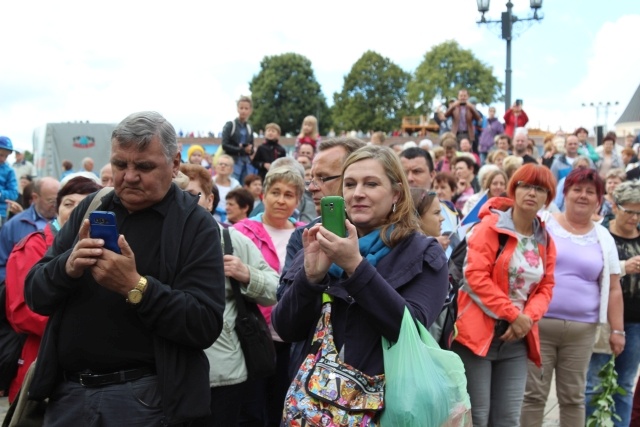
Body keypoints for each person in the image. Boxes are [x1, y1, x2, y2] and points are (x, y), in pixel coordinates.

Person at [24, 111, 226, 426]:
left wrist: (136, 287)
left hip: (145, 400)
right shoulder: (92, 208)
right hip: (69, 395)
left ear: (174, 165)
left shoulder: (195, 225)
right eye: (120, 164)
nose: (129, 176)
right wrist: (67, 266)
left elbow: (204, 323)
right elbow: (34, 294)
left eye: (143, 166)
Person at [274, 145, 449, 424]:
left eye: (371, 184)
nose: (358, 193)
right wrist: (310, 280)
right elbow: (286, 328)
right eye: (350, 184)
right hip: (313, 410)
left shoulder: (422, 252)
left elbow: (410, 331)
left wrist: (355, 266)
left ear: (396, 193)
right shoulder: (320, 239)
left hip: (387, 409)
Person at [453, 163, 557, 427]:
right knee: (477, 417)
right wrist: (514, 315)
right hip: (477, 335)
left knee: (508, 419)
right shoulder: (490, 227)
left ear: (548, 197)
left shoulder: (545, 237)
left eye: (540, 188)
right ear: (515, 188)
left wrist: (527, 318)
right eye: (526, 186)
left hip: (516, 338)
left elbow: (546, 286)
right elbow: (475, 277)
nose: (532, 193)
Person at [178, 163, 279, 427]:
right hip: (170, 371)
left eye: (191, 195)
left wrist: (246, 273)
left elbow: (275, 289)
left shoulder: (233, 240)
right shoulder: (156, 242)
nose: (183, 203)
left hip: (224, 372)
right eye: (175, 195)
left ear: (210, 200)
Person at [521, 167, 624, 427]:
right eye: (577, 189)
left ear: (599, 200)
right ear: (564, 194)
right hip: (538, 325)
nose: (583, 196)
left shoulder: (604, 237)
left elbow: (613, 287)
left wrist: (618, 331)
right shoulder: (543, 223)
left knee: (573, 398)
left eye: (590, 192)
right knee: (533, 396)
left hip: (582, 331)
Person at [5, 176, 102, 402]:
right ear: (57, 209)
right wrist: (86, 325)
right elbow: (23, 312)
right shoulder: (33, 246)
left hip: (90, 378)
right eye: (69, 204)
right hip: (40, 363)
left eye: (85, 205)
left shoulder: (107, 247)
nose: (76, 211)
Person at [233, 165, 306, 427]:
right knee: (252, 409)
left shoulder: (306, 232)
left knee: (285, 406)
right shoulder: (242, 231)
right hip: (254, 334)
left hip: (295, 335)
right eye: (275, 192)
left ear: (298, 201)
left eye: (289, 194)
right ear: (263, 195)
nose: (281, 199)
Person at [584, 180, 640, 426]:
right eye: (629, 211)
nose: (634, 217)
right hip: (602, 319)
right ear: (615, 207)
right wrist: (624, 268)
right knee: (595, 383)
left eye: (639, 212)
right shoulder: (601, 235)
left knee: (625, 384)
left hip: (636, 322)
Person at [0, 177, 60, 282]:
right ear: (35, 198)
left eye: (59, 200)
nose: (56, 205)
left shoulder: (65, 222)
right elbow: (1, 263)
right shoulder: (13, 226)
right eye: (51, 201)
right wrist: (10, 288)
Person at [222, 95, 255, 183]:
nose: (243, 111)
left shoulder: (249, 127)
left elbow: (252, 147)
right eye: (241, 108)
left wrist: (249, 150)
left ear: (250, 110)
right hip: (232, 163)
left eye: (246, 108)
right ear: (237, 109)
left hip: (246, 165)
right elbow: (224, 145)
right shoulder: (230, 125)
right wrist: (241, 149)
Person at [214, 154, 241, 222]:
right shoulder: (208, 183)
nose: (223, 166)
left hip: (230, 221)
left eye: (226, 165)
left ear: (231, 169)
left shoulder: (236, 186)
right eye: (220, 164)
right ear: (216, 167)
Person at [0, 136, 19, 225]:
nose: (3, 159)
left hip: (1, 213)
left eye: (6, 156)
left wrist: (1, 194)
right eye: (1, 154)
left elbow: (14, 193)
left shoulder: (9, 171)